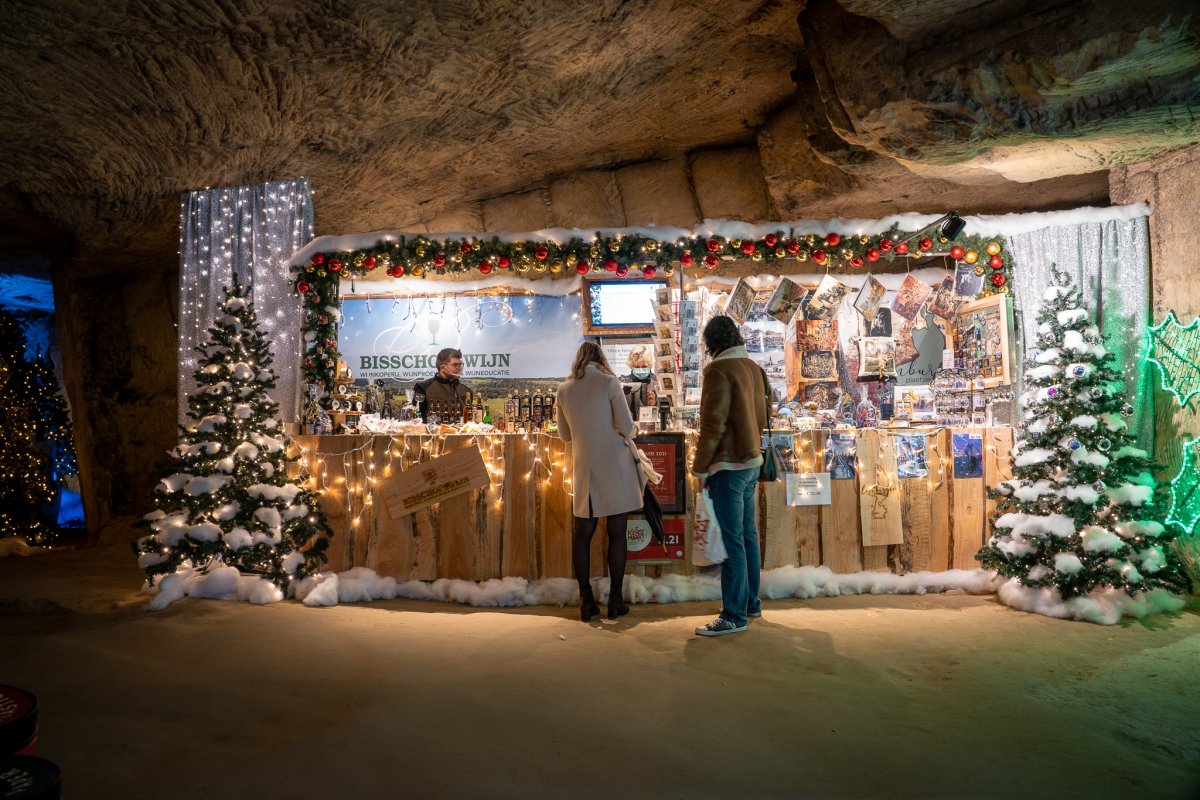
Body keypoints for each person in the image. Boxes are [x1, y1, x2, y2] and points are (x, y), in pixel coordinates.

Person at [556, 342, 647, 622]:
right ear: (601, 359)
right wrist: (635, 428)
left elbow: (564, 435)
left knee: (583, 534)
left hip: (585, 468)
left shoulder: (564, 389)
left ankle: (586, 600)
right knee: (617, 532)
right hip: (615, 465)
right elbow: (627, 427)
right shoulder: (609, 383)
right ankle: (615, 600)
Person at [691, 315, 769, 637]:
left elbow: (713, 425)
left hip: (727, 466)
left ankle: (734, 615)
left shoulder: (718, 370)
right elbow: (764, 414)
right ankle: (750, 602)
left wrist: (699, 467)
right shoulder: (754, 368)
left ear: (711, 342)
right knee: (747, 536)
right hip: (751, 463)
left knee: (732, 540)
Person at [414, 348, 470, 421]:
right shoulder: (423, 388)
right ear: (443, 367)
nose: (459, 368)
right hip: (431, 428)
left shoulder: (467, 391)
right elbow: (416, 419)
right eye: (455, 365)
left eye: (460, 364)